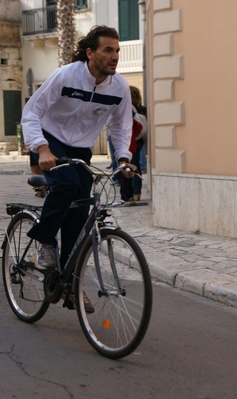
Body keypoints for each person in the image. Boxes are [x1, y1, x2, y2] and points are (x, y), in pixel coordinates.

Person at [21, 26, 135, 285]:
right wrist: (41, 148)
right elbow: (32, 112)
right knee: (67, 184)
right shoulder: (66, 76)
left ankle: (68, 282)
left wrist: (124, 158)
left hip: (80, 148)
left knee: (80, 211)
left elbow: (121, 126)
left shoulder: (119, 87)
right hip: (50, 140)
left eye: (117, 50)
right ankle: (45, 241)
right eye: (108, 50)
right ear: (90, 53)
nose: (115, 56)